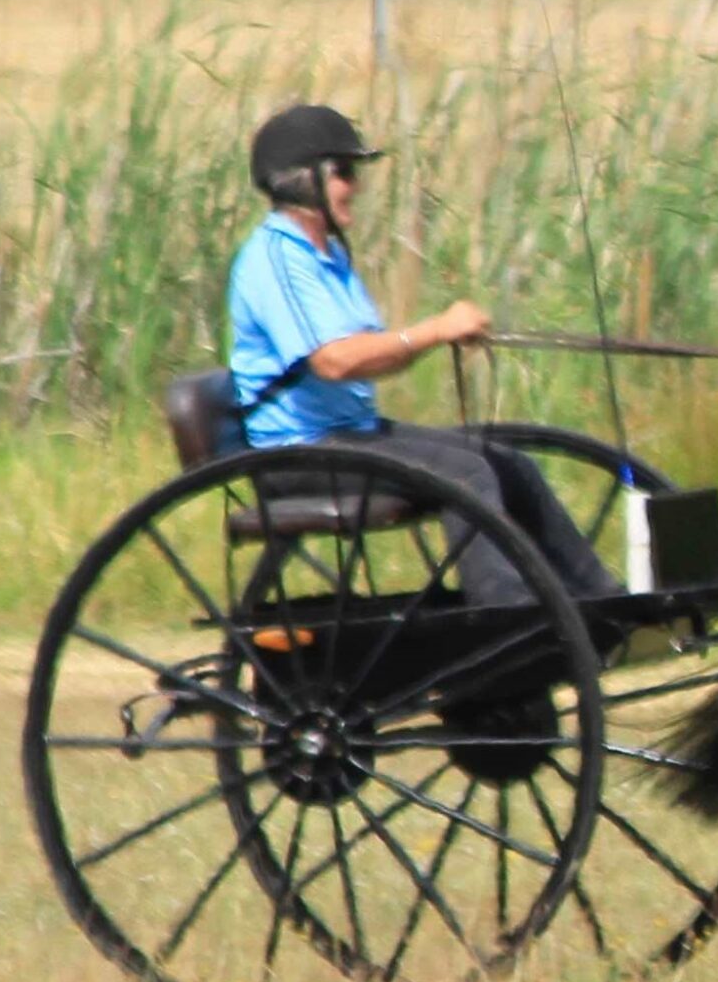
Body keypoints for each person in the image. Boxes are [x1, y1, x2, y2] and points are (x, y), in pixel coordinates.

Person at [228, 102, 619, 608]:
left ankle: (600, 600)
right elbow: (335, 361)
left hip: (350, 434)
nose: (357, 186)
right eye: (344, 172)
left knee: (508, 464)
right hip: (298, 452)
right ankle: (506, 616)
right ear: (302, 181)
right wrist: (434, 330)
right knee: (466, 475)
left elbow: (370, 354)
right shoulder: (276, 258)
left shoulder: (329, 255)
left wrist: (440, 335)